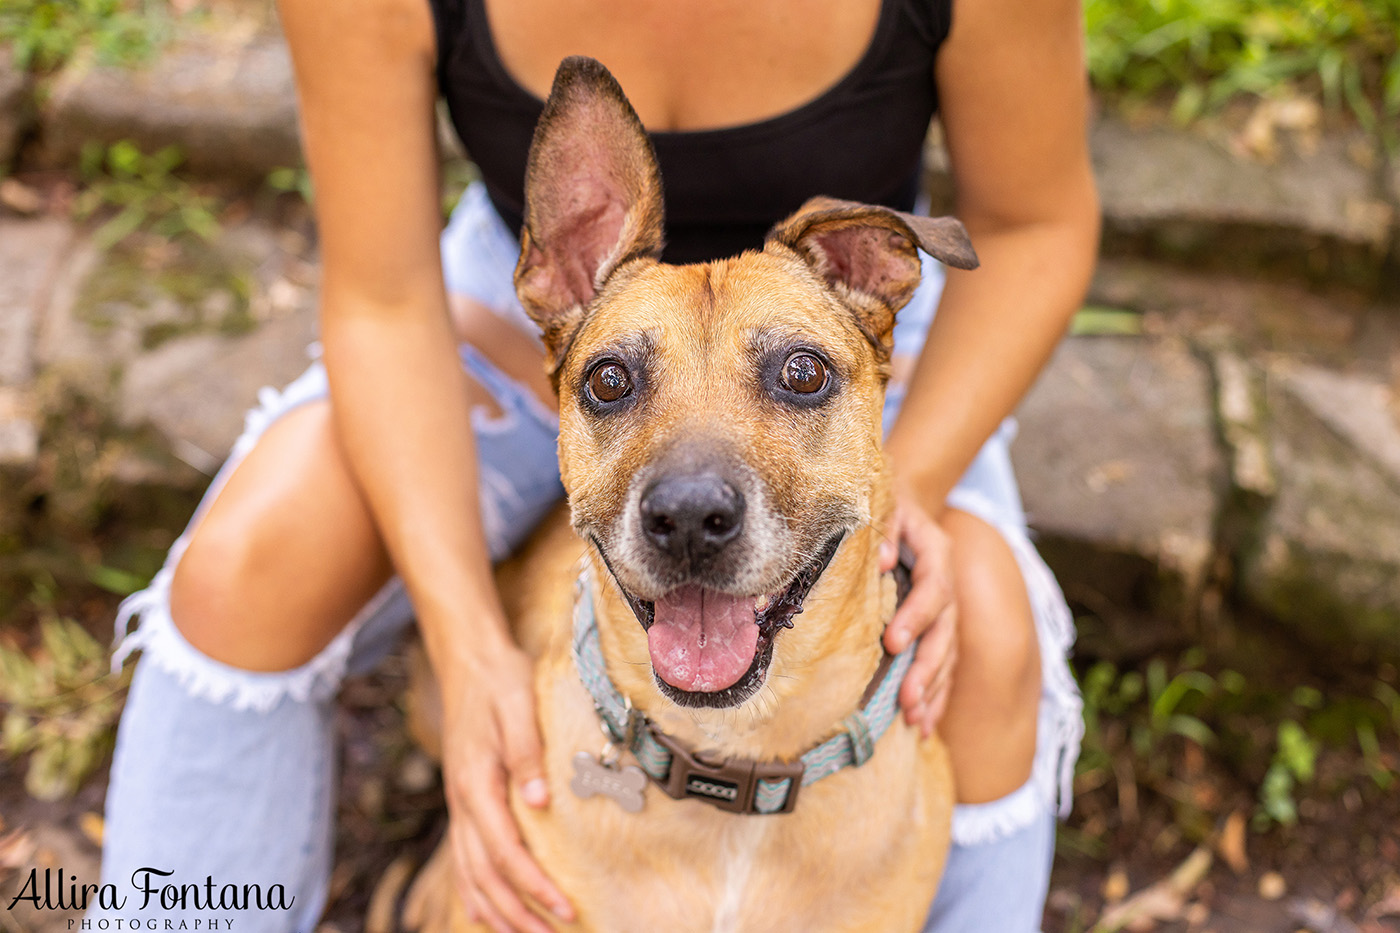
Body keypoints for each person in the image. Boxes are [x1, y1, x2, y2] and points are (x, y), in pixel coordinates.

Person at [95, 0, 1100, 929]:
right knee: (251, 564)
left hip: (841, 314)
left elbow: (1033, 225)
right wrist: (465, 644)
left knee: (984, 638)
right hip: (554, 323)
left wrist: (906, 483)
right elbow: (380, 301)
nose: (696, 511)